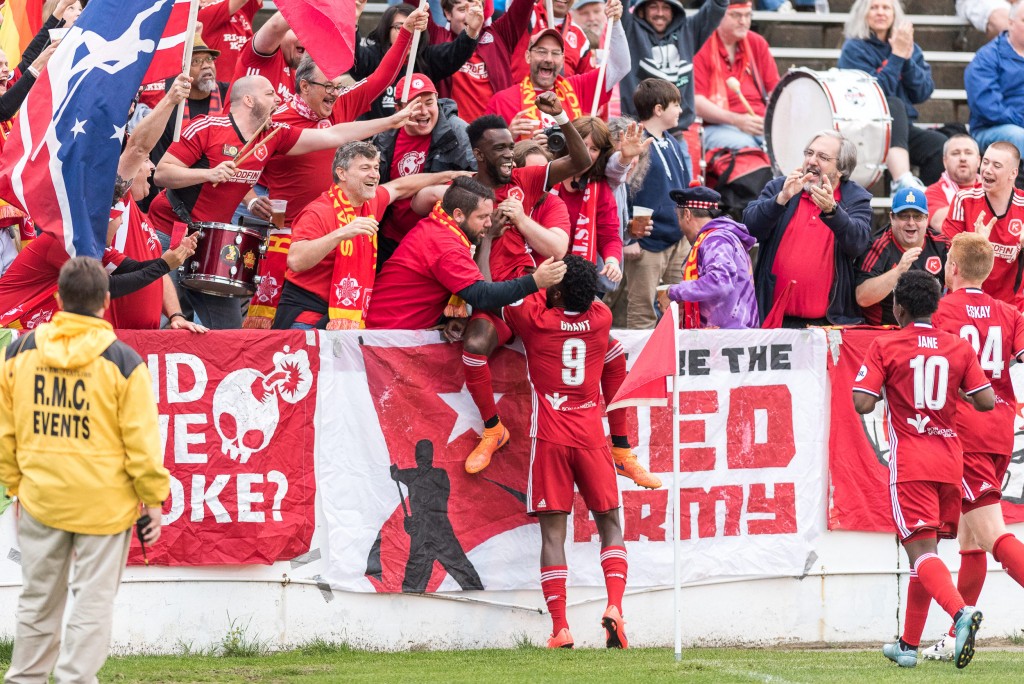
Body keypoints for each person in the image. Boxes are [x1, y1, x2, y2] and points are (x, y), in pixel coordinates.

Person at [0, 257, 170, 682]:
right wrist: (153, 500)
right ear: (106, 302)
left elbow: (6, 435)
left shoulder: (19, 352)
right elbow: (142, 444)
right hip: (105, 508)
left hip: (41, 499)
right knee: (91, 606)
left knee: (38, 603)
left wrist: (16, 488)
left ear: (58, 298)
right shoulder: (125, 362)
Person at [148, 76, 419, 329]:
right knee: (165, 320)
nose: (278, 99)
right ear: (249, 100)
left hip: (214, 240)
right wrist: (208, 173)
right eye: (270, 94)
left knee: (228, 332)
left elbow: (333, 135)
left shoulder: (273, 135)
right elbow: (162, 173)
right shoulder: (207, 126)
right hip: (169, 229)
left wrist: (390, 121)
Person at [852, 269, 994, 670]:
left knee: (919, 551)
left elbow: (862, 403)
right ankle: (908, 646)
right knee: (926, 555)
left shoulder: (886, 344)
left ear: (898, 307)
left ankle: (959, 613)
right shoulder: (957, 347)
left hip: (912, 461)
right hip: (951, 463)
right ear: (935, 306)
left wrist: (890, 381)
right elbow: (984, 401)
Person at [500, 254, 629, 650]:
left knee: (553, 534)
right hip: (592, 436)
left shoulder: (536, 321)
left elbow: (508, 296)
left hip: (551, 438)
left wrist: (538, 278)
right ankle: (614, 606)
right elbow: (587, 304)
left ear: (555, 291)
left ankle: (561, 628)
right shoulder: (602, 318)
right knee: (610, 523)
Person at [922, 233, 1024, 661]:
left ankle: (951, 629)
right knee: (971, 542)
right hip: (1000, 433)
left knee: (991, 533)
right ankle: (953, 635)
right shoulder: (1008, 312)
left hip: (965, 436)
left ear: (954, 268)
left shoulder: (941, 311)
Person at [272, 142, 469, 330]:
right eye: (365, 168)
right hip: (306, 319)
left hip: (346, 319)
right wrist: (341, 233)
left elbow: (400, 187)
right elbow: (296, 260)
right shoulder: (318, 211)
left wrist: (448, 175)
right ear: (342, 173)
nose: (374, 175)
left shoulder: (370, 202)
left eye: (376, 167)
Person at [365, 176, 567, 330]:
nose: (489, 223)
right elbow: (482, 296)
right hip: (385, 335)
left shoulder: (439, 221)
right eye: (482, 217)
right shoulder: (445, 244)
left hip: (391, 330)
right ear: (458, 215)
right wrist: (535, 281)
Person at [743, 130, 873, 327]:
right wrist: (781, 200)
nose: (812, 161)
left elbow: (858, 244)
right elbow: (749, 229)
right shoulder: (781, 187)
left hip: (827, 325)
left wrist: (833, 212)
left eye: (822, 157)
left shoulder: (856, 199)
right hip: (773, 320)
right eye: (809, 153)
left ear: (840, 169)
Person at [838, 0, 946, 188]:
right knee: (894, 104)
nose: (881, 12)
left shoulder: (907, 46)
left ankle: (928, 202)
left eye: (886, 7)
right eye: (874, 7)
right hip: (866, 129)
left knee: (940, 146)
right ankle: (901, 181)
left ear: (895, 14)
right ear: (863, 13)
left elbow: (923, 92)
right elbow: (872, 94)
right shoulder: (854, 49)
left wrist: (906, 57)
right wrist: (897, 57)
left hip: (902, 127)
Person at [483, 0, 628, 138]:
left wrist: (615, 23)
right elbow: (486, 152)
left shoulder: (577, 88)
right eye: (541, 51)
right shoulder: (502, 101)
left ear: (562, 58)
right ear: (528, 56)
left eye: (556, 53)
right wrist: (510, 136)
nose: (548, 59)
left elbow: (620, 67)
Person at [373, 74, 476, 267]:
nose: (423, 111)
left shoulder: (457, 131)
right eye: (415, 104)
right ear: (398, 109)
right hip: (390, 239)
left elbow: (477, 180)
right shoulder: (385, 137)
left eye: (429, 102)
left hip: (435, 241)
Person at [614, 78, 691, 330]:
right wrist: (629, 239)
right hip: (646, 243)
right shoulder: (636, 142)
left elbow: (682, 187)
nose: (681, 110)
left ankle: (673, 366)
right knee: (643, 310)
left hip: (676, 240)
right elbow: (623, 191)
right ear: (658, 109)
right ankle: (640, 368)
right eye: (675, 105)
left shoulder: (674, 143)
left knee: (677, 309)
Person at [352, 1, 480, 120]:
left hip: (418, 137)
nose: (408, 32)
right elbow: (354, 58)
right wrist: (354, 19)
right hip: (376, 140)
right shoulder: (373, 57)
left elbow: (456, 53)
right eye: (400, 27)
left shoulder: (426, 58)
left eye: (414, 27)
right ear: (387, 30)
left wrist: (472, 31)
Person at [656, 184, 758, 328]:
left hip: (727, 338)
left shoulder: (715, 239)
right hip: (730, 335)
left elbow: (720, 282)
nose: (680, 227)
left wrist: (674, 292)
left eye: (678, 219)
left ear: (687, 214)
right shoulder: (722, 236)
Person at [391, 439, 484, 593]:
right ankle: (406, 606)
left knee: (462, 569)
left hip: (439, 531)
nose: (422, 458)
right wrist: (395, 472)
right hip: (426, 533)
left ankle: (478, 595)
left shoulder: (437, 475)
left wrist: (396, 472)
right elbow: (397, 475)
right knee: (414, 581)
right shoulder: (417, 475)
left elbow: (399, 475)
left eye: (423, 454)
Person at [942, 141, 1024, 312]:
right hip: (965, 306)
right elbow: (950, 272)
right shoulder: (963, 200)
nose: (987, 169)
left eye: (996, 165)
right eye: (985, 162)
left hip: (1009, 310)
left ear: (1013, 173)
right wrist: (977, 244)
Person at [617, 0, 726, 127]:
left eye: (666, 7)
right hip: (638, 132)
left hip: (676, 134)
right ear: (642, 10)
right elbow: (619, 5)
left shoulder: (689, 30)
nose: (660, 13)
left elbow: (716, 8)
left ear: (674, 11)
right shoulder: (629, 28)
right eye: (653, 7)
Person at [693, 0, 780, 152]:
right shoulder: (702, 44)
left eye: (748, 15)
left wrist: (773, 121)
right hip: (718, 125)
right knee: (749, 150)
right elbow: (696, 102)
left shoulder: (757, 43)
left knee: (786, 144)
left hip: (759, 123)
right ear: (718, 15)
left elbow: (775, 91)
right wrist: (737, 120)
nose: (744, 22)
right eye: (736, 15)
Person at [427, 0, 533, 123]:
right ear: (448, 13)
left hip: (496, 134)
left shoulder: (500, 35)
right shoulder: (436, 37)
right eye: (462, 10)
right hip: (454, 136)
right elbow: (416, 7)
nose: (470, 16)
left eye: (475, 9)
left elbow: (523, 5)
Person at [856, 187, 948, 326]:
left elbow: (963, 282)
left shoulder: (941, 245)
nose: (911, 223)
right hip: (886, 331)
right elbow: (862, 297)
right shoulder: (878, 246)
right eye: (904, 216)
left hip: (929, 331)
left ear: (927, 218)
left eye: (917, 216)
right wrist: (899, 271)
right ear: (892, 218)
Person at [965, 5, 1024, 159]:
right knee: (1019, 136)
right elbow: (987, 107)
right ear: (1010, 23)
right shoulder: (987, 57)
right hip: (991, 129)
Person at [226, 10, 305, 105]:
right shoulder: (264, 53)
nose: (306, 40)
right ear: (282, 34)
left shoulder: (300, 79)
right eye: (298, 31)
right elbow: (275, 25)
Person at [509, 0, 598, 84]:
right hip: (519, 97)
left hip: (560, 99)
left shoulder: (580, 36)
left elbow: (588, 84)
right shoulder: (527, 14)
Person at [925, 134, 981, 233]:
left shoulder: (993, 188)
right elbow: (943, 225)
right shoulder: (933, 192)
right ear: (945, 162)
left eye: (968, 153)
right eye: (955, 153)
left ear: (978, 160)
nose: (963, 158)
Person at [197, 0, 263, 78]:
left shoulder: (240, 11)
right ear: (202, 1)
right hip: (222, 86)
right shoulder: (205, 14)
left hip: (245, 84)